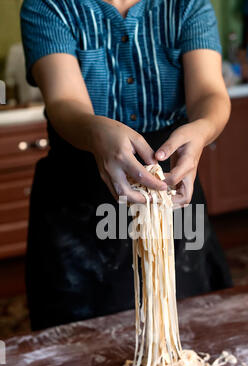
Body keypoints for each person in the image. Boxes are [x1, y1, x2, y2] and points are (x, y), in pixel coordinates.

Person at [21, 0, 233, 331]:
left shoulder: (187, 5)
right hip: (79, 203)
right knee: (77, 342)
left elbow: (210, 92)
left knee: (186, 322)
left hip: (168, 196)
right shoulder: (49, 6)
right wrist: (94, 131)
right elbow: (64, 101)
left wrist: (203, 128)